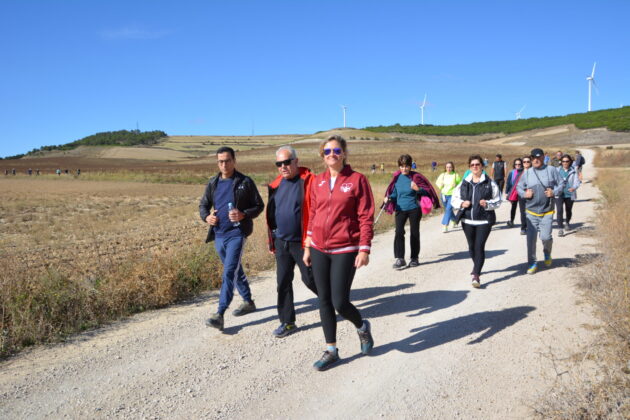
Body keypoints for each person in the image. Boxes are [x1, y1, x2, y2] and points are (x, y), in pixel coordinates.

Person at [303, 135, 375, 371]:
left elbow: (365, 216)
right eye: (327, 151)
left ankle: (362, 327)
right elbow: (313, 214)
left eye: (336, 150)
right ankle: (331, 350)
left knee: (340, 302)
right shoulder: (318, 181)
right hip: (319, 247)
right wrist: (307, 245)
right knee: (323, 300)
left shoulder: (357, 180)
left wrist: (364, 248)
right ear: (322, 156)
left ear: (344, 153)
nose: (331, 154)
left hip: (345, 247)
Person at [199, 146, 265, 331]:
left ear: (234, 161)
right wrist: (207, 217)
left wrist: (243, 214)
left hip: (237, 233)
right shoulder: (213, 183)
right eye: (220, 161)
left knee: (229, 272)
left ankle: (219, 314)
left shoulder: (245, 182)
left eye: (227, 160)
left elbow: (259, 205)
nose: (224, 164)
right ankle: (248, 301)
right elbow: (203, 205)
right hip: (219, 234)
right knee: (235, 268)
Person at [266, 146, 318, 338]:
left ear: (296, 161)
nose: (283, 167)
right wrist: (272, 239)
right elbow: (271, 214)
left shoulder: (308, 181)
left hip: (302, 242)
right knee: (283, 283)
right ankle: (287, 322)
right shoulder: (276, 185)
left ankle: (334, 301)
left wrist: (311, 242)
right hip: (282, 242)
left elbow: (316, 212)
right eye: (279, 164)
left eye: (287, 162)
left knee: (310, 279)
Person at [451, 155, 502, 288]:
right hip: (467, 220)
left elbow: (498, 201)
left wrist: (487, 204)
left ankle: (476, 275)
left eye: (477, 164)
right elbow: (454, 199)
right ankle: (477, 265)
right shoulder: (464, 183)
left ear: (482, 166)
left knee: (479, 246)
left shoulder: (489, 183)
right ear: (469, 167)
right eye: (472, 165)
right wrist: (462, 203)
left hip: (484, 220)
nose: (475, 167)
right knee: (471, 247)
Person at [384, 155, 440, 268]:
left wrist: (418, 189)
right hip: (400, 209)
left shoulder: (416, 177)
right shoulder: (397, 177)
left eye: (406, 166)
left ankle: (414, 258)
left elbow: (427, 192)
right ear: (399, 166)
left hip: (414, 208)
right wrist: (389, 197)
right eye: (402, 166)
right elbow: (395, 193)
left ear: (410, 166)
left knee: (414, 233)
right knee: (399, 232)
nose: (404, 169)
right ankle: (400, 258)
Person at [517, 148, 564, 274]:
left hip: (547, 211)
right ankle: (532, 263)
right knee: (531, 240)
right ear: (531, 159)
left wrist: (554, 192)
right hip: (531, 212)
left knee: (546, 237)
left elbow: (561, 184)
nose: (536, 160)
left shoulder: (551, 170)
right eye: (533, 158)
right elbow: (519, 188)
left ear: (544, 158)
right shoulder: (527, 173)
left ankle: (547, 252)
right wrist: (524, 194)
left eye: (539, 157)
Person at [555, 154, 581, 236]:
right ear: (561, 162)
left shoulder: (573, 170)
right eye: (563, 161)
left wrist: (574, 187)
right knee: (559, 210)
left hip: (569, 194)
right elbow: (553, 181)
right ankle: (560, 229)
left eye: (567, 161)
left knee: (568, 210)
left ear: (570, 162)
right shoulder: (557, 170)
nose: (565, 163)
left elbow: (577, 181)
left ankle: (567, 222)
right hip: (559, 194)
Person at [435, 161, 462, 232]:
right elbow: (437, 183)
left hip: (452, 196)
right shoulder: (442, 175)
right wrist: (441, 186)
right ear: (445, 168)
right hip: (443, 195)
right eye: (447, 167)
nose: (449, 168)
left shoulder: (456, 175)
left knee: (448, 209)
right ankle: (454, 220)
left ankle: (445, 225)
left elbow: (461, 185)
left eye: (450, 167)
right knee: (448, 210)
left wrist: (456, 185)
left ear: (453, 168)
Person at [505, 158, 526, 233]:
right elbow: (508, 182)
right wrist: (507, 192)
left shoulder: (524, 172)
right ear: (514, 165)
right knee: (513, 208)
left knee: (522, 210)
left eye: (519, 164)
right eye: (516, 164)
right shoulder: (512, 172)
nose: (517, 165)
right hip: (513, 193)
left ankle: (524, 227)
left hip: (521, 193)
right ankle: (511, 220)